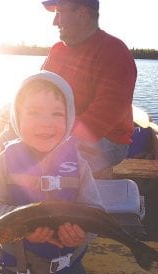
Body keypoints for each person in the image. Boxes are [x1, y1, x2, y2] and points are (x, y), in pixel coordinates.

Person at [0, 70, 102, 274]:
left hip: (68, 270)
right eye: (34, 113)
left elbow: (96, 213)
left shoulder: (80, 165)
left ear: (69, 119)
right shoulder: (2, 162)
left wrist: (81, 234)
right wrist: (24, 229)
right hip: (16, 271)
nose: (45, 123)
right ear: (17, 117)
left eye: (57, 114)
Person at [41, 0, 137, 174]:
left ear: (82, 14)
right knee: (7, 141)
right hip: (57, 129)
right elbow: (38, 90)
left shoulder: (115, 53)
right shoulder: (57, 50)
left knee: (50, 167)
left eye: (60, 13)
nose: (54, 22)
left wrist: (52, 137)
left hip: (106, 139)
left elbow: (101, 119)